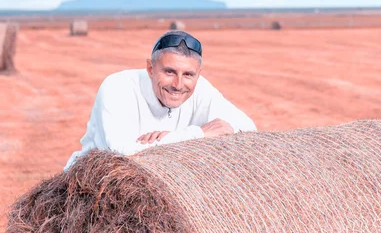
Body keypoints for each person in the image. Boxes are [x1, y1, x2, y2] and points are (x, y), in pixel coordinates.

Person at [64, 30, 256, 170]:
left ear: (198, 74)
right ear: (150, 69)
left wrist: (168, 138)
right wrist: (198, 133)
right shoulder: (118, 86)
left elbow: (248, 130)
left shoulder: (201, 88)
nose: (178, 84)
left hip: (163, 184)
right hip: (95, 180)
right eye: (169, 72)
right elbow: (121, 153)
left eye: (188, 74)